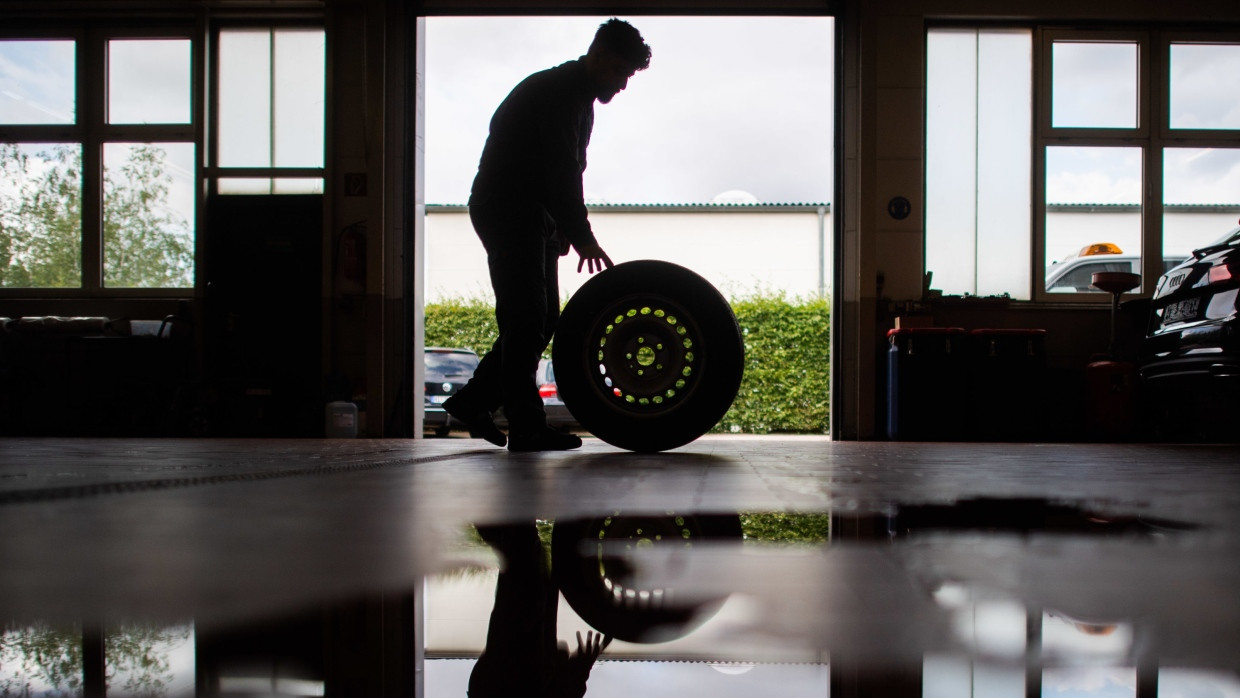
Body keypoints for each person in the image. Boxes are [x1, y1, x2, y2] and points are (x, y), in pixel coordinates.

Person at [444, 19, 651, 453]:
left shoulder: (579, 98)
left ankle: (472, 401)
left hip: (531, 213)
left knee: (543, 317)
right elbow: (560, 172)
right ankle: (526, 427)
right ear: (598, 55)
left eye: (628, 75)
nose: (623, 84)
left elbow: (562, 171)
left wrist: (558, 230)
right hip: (505, 209)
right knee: (524, 318)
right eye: (620, 72)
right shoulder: (558, 93)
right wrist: (582, 236)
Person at [468, 522, 611, 697]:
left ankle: (496, 507)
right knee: (526, 563)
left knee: (526, 564)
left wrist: (578, 673)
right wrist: (577, 674)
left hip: (515, 674)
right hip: (513, 672)